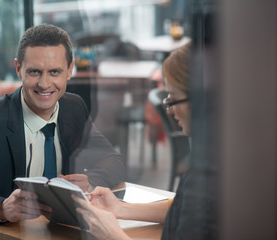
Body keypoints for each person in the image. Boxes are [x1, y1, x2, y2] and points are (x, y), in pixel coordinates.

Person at [0, 24, 125, 239]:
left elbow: (113, 161)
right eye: (34, 72)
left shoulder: (73, 107)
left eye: (54, 72)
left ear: (70, 70)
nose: (44, 84)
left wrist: (89, 180)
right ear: (18, 69)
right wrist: (2, 208)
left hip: (59, 233)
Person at [74, 42, 215, 240]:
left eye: (172, 99)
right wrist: (120, 208)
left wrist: (112, 235)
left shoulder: (213, 172)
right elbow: (183, 208)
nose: (170, 109)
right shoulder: (214, 151)